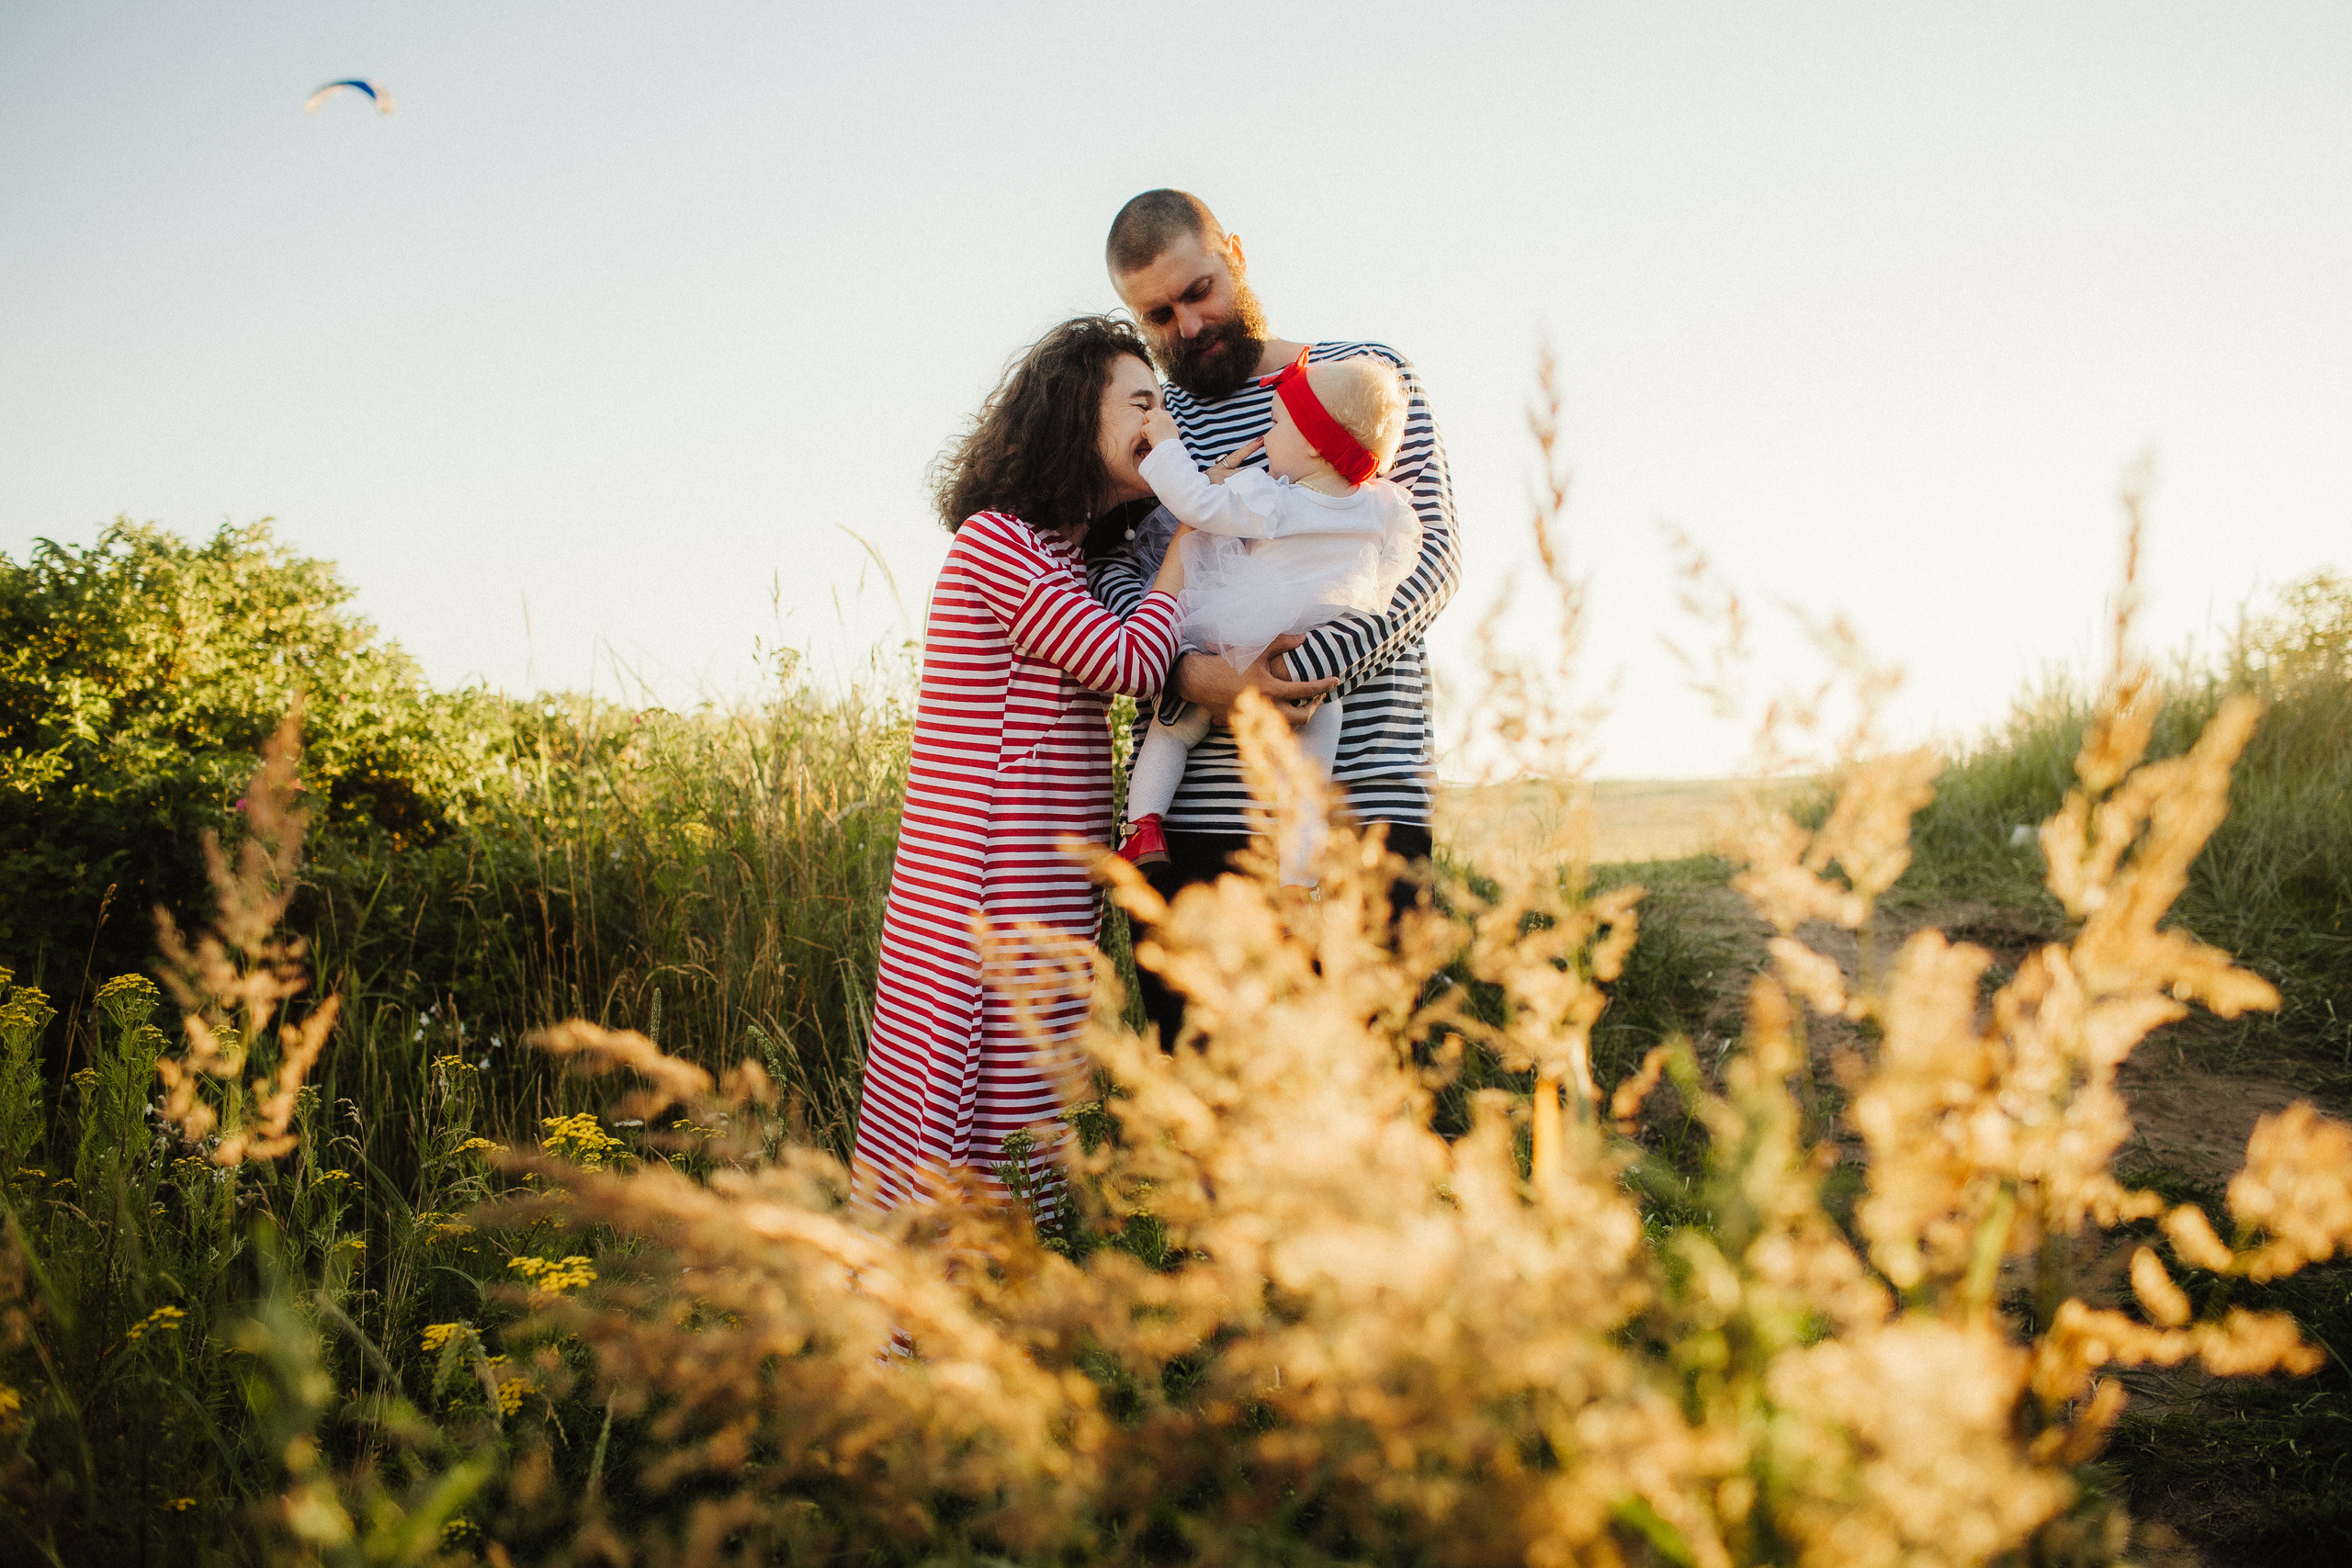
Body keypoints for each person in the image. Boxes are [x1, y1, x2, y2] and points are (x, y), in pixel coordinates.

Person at [1090, 190, 1459, 1048]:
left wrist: (1285, 677)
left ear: (1236, 254)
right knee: (1205, 1102)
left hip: (1359, 804)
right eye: (1158, 315)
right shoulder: (1148, 420)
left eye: (1200, 290)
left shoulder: (1363, 380)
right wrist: (1194, 675)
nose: (1189, 325)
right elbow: (1108, 570)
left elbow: (1429, 560)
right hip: (1190, 826)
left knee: (1361, 1096)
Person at [850, 316, 1190, 1217]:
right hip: (984, 886)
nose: (1160, 420)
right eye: (1141, 403)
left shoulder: (1073, 557)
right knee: (979, 1104)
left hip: (1046, 886)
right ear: (1076, 414)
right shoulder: (997, 542)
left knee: (1036, 1103)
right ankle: (939, 1300)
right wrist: (1190, 539)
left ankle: (1016, 1291)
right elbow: (1127, 664)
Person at [1116, 353, 1421, 887]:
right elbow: (1397, 567)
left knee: (1175, 727)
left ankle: (1142, 825)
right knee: (1311, 762)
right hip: (1315, 652)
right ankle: (1298, 879)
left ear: (1313, 443)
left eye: (1277, 422)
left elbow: (1195, 503)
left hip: (1239, 628)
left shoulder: (1272, 498)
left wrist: (1166, 443)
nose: (1264, 436)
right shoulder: (1384, 505)